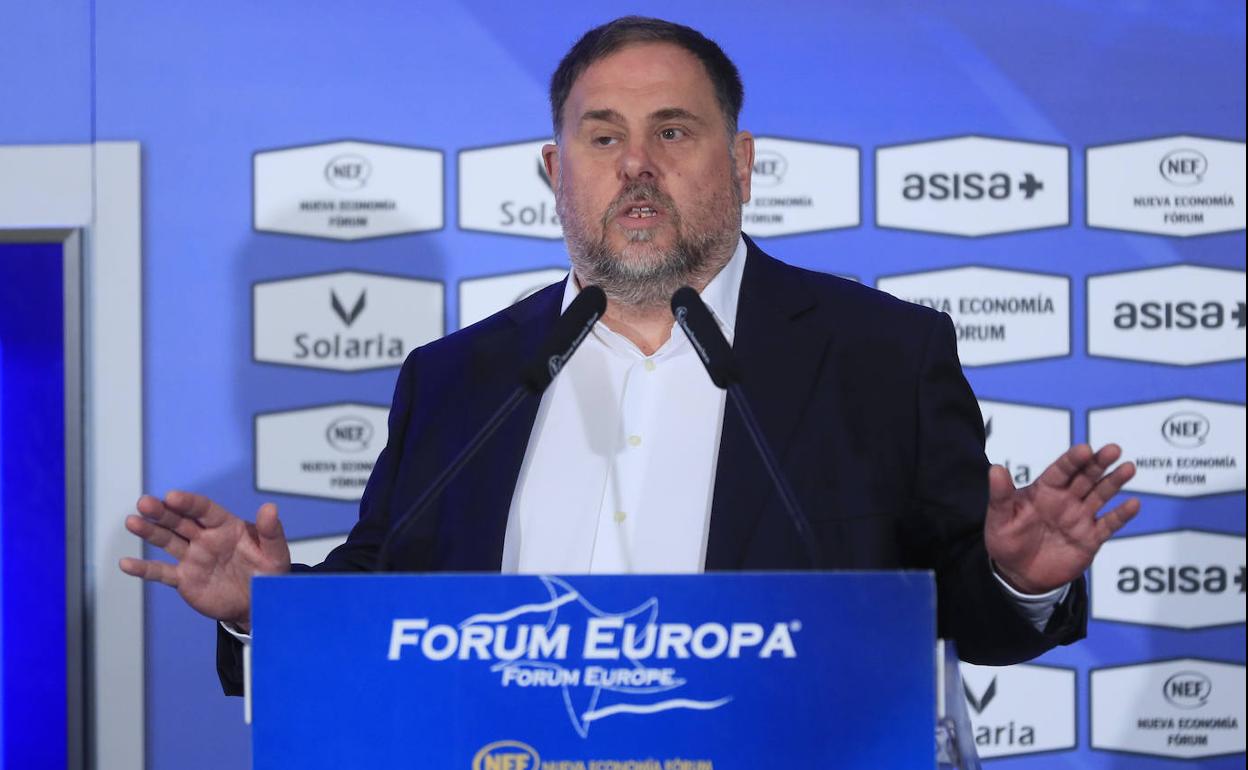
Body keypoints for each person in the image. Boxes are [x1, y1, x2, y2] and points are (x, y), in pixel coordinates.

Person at [120, 17, 1139, 696]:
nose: (638, 166)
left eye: (675, 132)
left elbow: (961, 614)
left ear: (741, 163)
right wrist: (270, 611)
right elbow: (386, 602)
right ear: (554, 171)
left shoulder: (881, 354)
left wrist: (1016, 577)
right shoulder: (458, 378)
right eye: (603, 138)